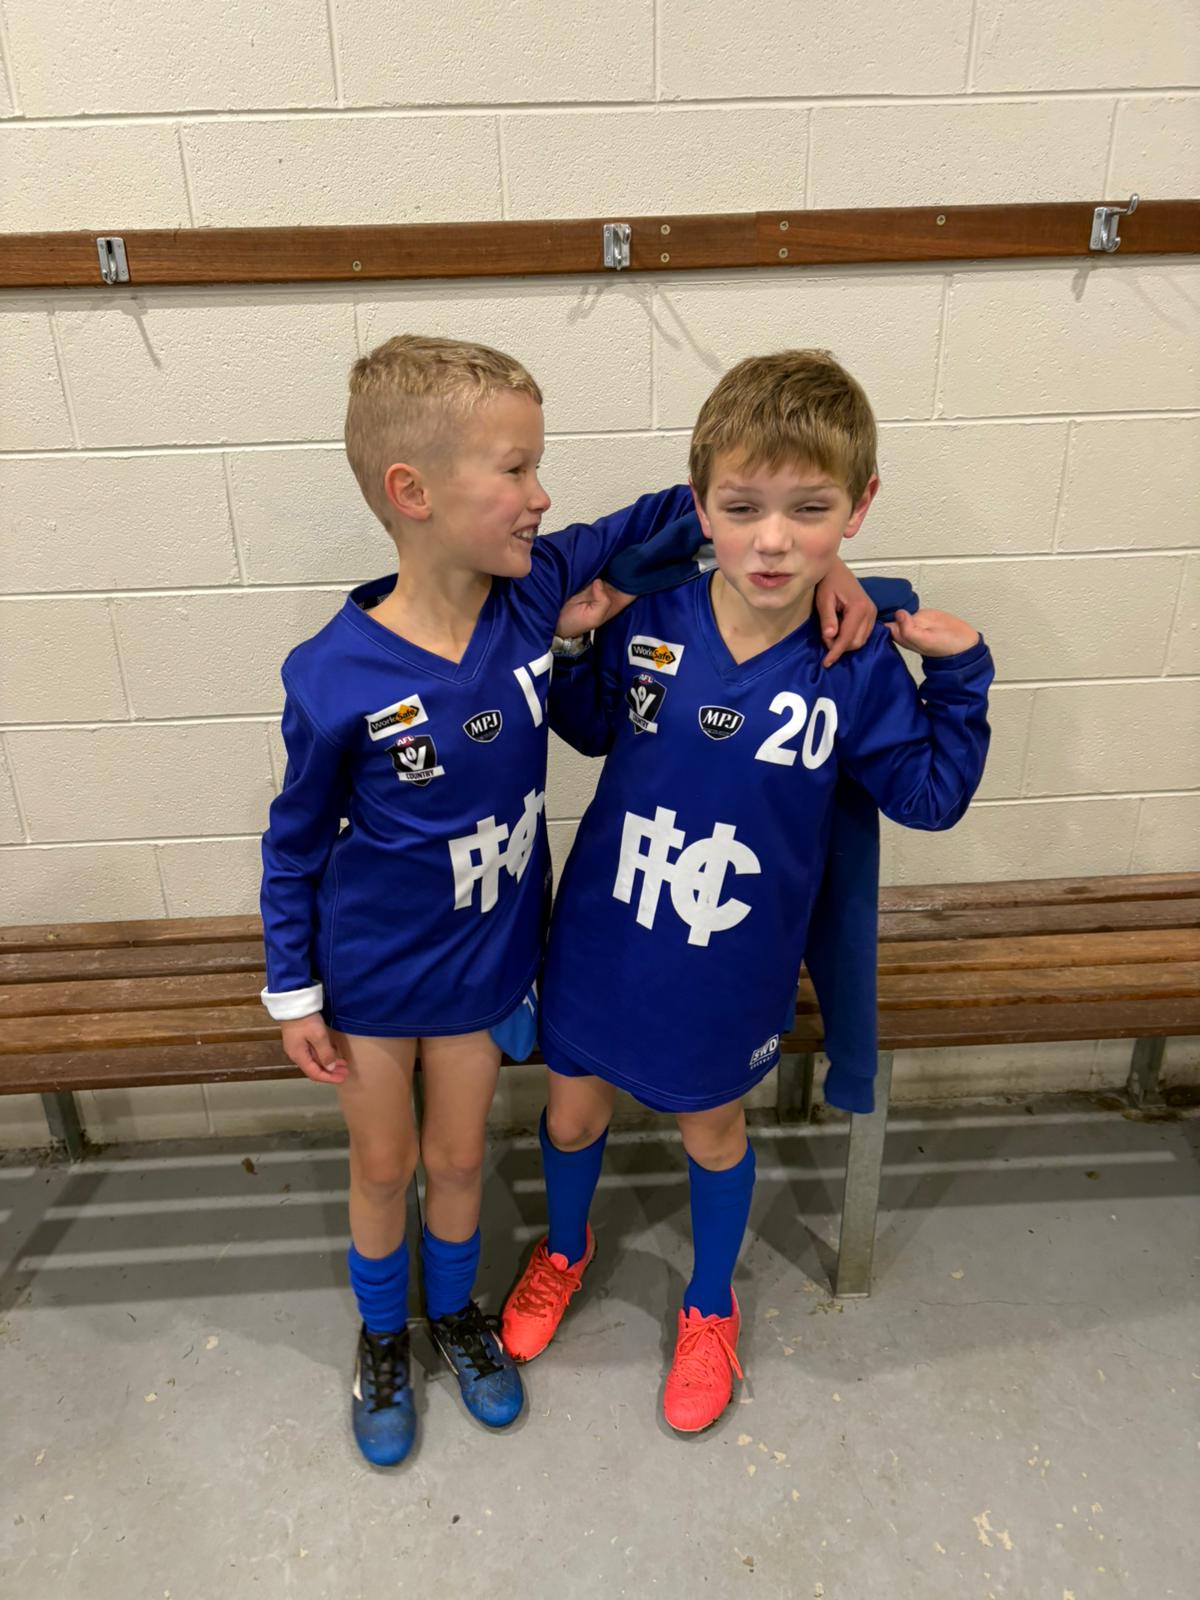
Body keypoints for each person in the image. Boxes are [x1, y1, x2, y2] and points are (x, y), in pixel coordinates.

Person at [259, 334, 877, 1465]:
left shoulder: (534, 588)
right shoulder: (332, 672)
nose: (543, 495)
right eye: (516, 469)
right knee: (386, 1167)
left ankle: (457, 1318)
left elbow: (698, 509)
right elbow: (292, 840)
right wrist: (292, 988)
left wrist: (834, 573)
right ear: (414, 492)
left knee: (458, 1162)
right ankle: (383, 1339)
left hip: (487, 966)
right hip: (371, 976)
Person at [502, 348, 994, 1433]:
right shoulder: (653, 613)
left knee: (710, 1130)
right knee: (572, 1110)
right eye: (743, 508)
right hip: (605, 933)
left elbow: (925, 796)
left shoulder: (852, 658)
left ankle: (709, 1304)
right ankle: (565, 1250)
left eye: (809, 509)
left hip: (731, 963)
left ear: (858, 506)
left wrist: (959, 677)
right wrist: (575, 651)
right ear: (702, 508)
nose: (774, 539)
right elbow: (591, 728)